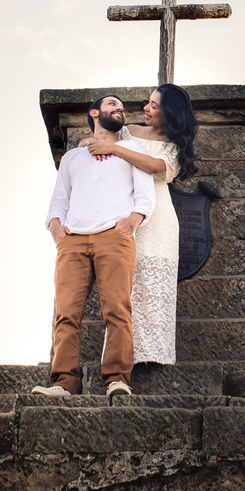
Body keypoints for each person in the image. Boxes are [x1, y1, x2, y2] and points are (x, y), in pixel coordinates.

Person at [33, 94, 156, 397]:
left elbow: (144, 194)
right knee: (66, 313)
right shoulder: (74, 157)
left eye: (121, 107)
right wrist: (55, 226)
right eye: (113, 104)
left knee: (117, 310)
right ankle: (64, 383)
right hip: (72, 241)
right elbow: (59, 198)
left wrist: (131, 222)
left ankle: (116, 379)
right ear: (95, 113)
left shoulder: (130, 149)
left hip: (115, 237)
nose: (120, 109)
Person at [81, 84, 198, 365]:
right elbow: (96, 141)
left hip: (158, 218)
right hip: (123, 211)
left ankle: (153, 355)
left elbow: (157, 167)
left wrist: (116, 150)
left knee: (154, 285)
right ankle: (122, 355)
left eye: (154, 106)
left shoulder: (175, 145)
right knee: (125, 285)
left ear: (169, 112)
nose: (146, 108)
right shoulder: (128, 131)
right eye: (149, 103)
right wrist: (90, 144)